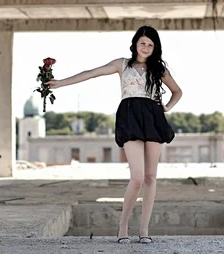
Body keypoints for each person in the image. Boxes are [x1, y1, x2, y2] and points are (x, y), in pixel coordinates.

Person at [44, 26, 182, 244]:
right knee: (137, 177)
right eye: (143, 43)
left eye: (150, 44)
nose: (146, 48)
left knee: (150, 177)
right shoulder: (122, 64)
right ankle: (123, 226)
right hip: (130, 117)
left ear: (155, 47)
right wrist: (61, 83)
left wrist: (166, 107)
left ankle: (144, 230)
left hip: (153, 118)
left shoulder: (159, 69)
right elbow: (91, 73)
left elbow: (178, 91)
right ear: (135, 43)